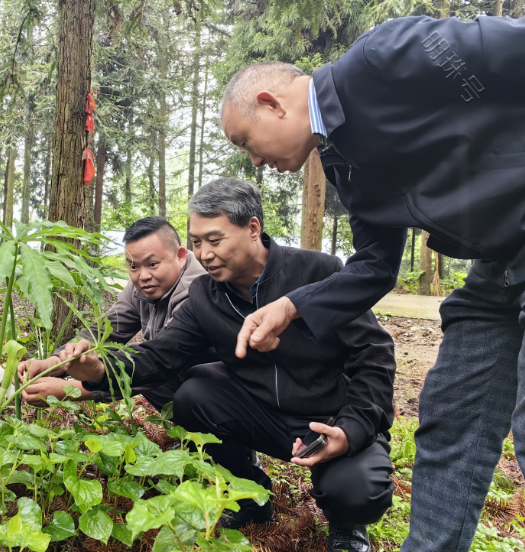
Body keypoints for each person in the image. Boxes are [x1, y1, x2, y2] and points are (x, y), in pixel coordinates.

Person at [218, 15, 525, 552]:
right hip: (495, 267)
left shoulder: (383, 57)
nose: (257, 163)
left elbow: (504, 50)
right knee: (450, 421)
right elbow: (375, 265)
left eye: (248, 142)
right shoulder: (343, 163)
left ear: (271, 102)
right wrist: (290, 307)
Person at [52, 179, 397, 552]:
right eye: (197, 242)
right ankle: (250, 497)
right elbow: (159, 355)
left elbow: (373, 354)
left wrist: (352, 427)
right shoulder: (206, 296)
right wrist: (100, 371)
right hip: (263, 416)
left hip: (328, 420)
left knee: (357, 492)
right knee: (194, 393)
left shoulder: (318, 271)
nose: (204, 254)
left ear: (252, 228)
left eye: (214, 240)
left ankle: (348, 527)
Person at [18, 216, 216, 411]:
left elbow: (159, 364)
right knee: (136, 361)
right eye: (133, 266)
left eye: (153, 264)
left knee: (150, 372)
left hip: (217, 384)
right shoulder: (141, 287)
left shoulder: (198, 291)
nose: (143, 276)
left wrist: (68, 391)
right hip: (171, 369)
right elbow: (106, 330)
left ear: (179, 256)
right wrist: (53, 363)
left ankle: (215, 440)